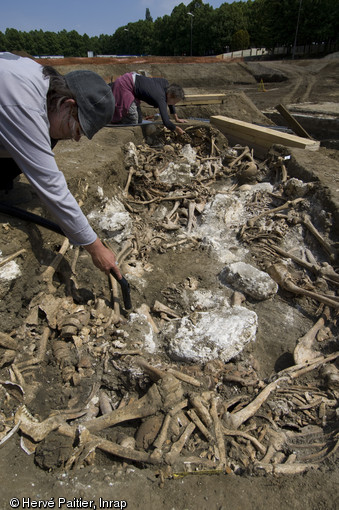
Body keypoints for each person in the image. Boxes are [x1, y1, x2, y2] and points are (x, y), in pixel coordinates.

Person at [0, 52, 121, 279]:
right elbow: (50, 184)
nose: (76, 139)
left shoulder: (40, 85)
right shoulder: (24, 101)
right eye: (77, 130)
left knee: (49, 137)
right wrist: (95, 247)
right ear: (68, 104)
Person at [110, 72, 187, 135]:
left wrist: (176, 118)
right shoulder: (160, 97)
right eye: (175, 102)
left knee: (139, 120)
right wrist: (176, 129)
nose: (174, 104)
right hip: (125, 85)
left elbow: (171, 103)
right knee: (133, 120)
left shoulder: (166, 85)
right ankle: (114, 120)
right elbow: (166, 121)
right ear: (170, 95)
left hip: (133, 85)